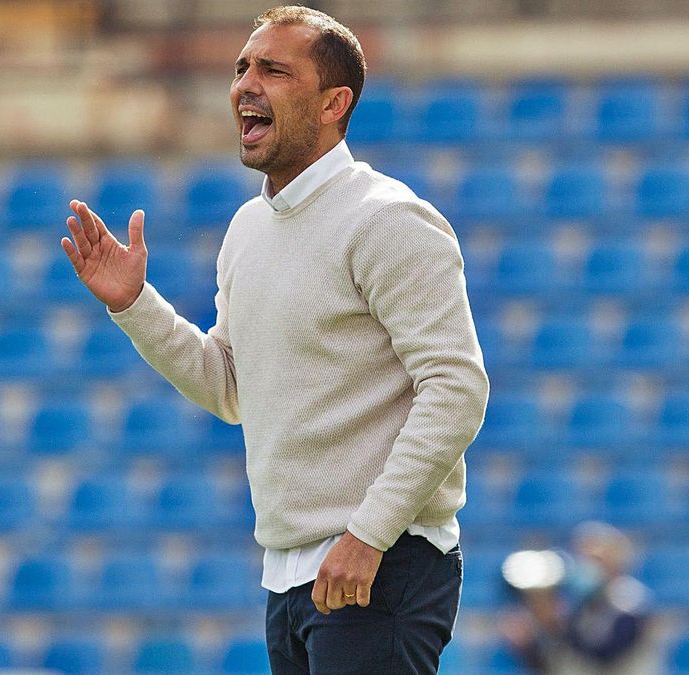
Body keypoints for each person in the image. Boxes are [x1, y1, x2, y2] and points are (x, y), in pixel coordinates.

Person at [61, 5, 488, 674]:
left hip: (379, 561)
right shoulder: (246, 230)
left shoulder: (389, 219)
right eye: (241, 68)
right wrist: (135, 305)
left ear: (333, 102)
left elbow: (457, 389)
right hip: (290, 577)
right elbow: (231, 388)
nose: (244, 85)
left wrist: (369, 534)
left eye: (274, 70)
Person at [503, 522, 659, 674]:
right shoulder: (579, 603)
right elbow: (554, 665)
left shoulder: (631, 600)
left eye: (595, 559)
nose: (587, 565)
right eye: (582, 557)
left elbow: (604, 655)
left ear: (616, 560)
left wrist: (558, 627)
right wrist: (528, 646)